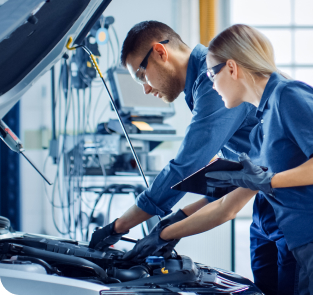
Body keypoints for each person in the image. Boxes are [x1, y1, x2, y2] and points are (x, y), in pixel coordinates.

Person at [125, 24, 313, 295]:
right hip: (308, 244)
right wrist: (165, 232)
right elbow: (227, 204)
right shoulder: (262, 123)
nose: (210, 85)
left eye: (211, 74)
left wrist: (269, 180)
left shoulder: (291, 95)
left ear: (232, 68)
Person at [88, 21, 298, 295]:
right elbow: (237, 172)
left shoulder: (216, 81)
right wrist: (176, 218)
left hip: (295, 210)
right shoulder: (203, 88)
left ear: (160, 52)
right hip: (265, 208)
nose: (146, 89)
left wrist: (119, 226)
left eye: (142, 76)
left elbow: (185, 167)